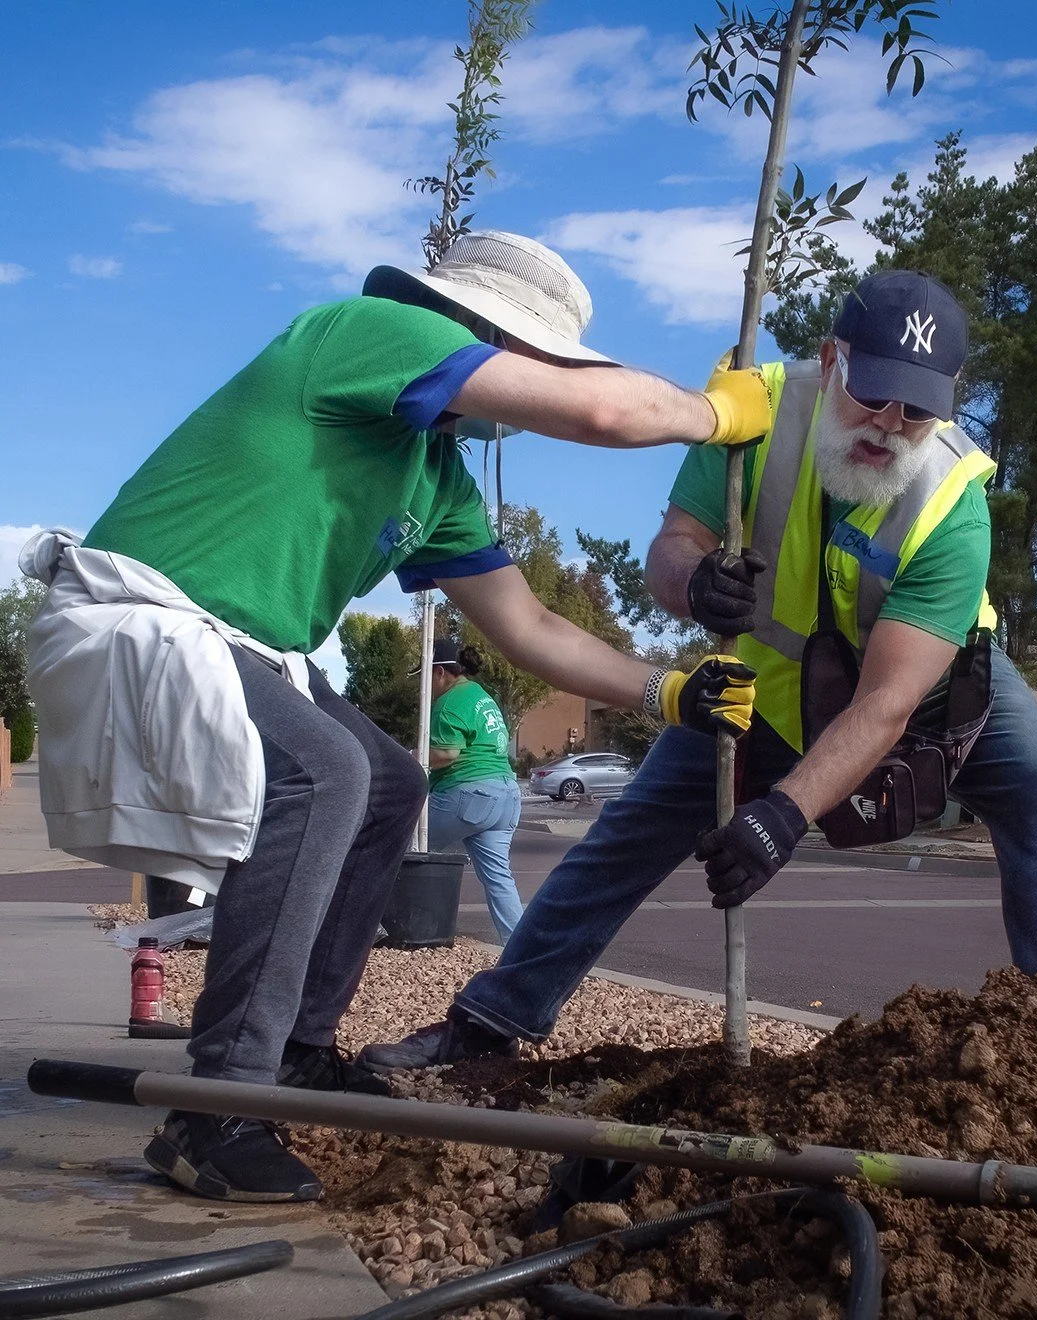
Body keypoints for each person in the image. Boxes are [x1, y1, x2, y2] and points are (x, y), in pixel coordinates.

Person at [22, 230, 766, 1203]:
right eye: (524, 357)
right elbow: (598, 406)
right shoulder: (365, 331)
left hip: (247, 650)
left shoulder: (436, 476)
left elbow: (528, 624)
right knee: (325, 771)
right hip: (142, 613)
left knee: (387, 783)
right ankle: (216, 1114)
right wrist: (714, 415)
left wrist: (667, 689)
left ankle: (292, 1057)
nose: (523, 388)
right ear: (476, 332)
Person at [359, 270, 1037, 1075]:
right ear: (831, 360)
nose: (889, 425)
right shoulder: (754, 410)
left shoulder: (951, 500)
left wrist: (783, 816)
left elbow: (888, 701)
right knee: (628, 834)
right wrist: (694, 580)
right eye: (872, 393)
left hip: (935, 688)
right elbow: (668, 552)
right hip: (757, 693)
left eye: (918, 409)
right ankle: (490, 1021)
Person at [420, 638, 523, 943]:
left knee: (397, 844)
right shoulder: (482, 696)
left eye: (427, 675)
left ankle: (378, 926)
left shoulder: (450, 701)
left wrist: (412, 755)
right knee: (498, 878)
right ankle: (518, 948)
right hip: (506, 795)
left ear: (440, 672)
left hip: (469, 794)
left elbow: (447, 753)